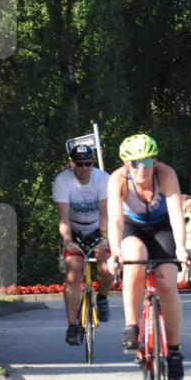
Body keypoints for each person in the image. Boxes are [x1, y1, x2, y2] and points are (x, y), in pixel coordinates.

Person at [106, 133, 189, 380]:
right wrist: (115, 252)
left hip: (162, 227)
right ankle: (132, 326)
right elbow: (116, 219)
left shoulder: (166, 175)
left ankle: (174, 352)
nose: (141, 168)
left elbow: (176, 215)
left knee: (167, 283)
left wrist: (182, 249)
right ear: (125, 165)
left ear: (155, 161)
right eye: (134, 163)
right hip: (133, 229)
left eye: (147, 162)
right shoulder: (117, 179)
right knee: (135, 258)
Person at [53, 143, 113, 345]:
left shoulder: (103, 179)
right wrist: (68, 242)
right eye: (80, 164)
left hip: (98, 228)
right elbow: (63, 218)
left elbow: (106, 215)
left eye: (88, 164)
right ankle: (72, 326)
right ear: (72, 164)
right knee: (73, 274)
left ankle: (103, 298)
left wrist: (104, 240)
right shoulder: (62, 181)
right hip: (75, 230)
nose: (84, 168)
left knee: (107, 268)